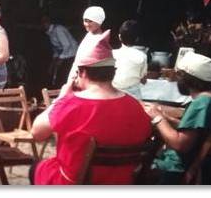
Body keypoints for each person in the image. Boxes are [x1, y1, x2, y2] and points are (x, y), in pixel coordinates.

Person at [29, 30, 152, 185]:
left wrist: (61, 98)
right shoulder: (136, 106)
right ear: (112, 73)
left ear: (82, 72)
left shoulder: (71, 103)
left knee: (36, 168)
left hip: (74, 183)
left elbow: (37, 133)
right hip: (121, 184)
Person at [143, 52, 211, 184]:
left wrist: (158, 118)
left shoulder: (201, 103)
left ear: (187, 79)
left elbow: (181, 144)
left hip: (178, 169)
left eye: (178, 75)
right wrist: (167, 117)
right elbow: (197, 130)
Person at [68, 6, 106, 80]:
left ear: (99, 22)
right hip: (76, 74)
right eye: (85, 21)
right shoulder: (89, 34)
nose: (87, 24)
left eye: (90, 21)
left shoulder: (99, 40)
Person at [112, 20, 148, 99]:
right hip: (134, 98)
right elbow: (143, 79)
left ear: (119, 37)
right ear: (137, 39)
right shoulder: (142, 56)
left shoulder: (111, 54)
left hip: (113, 95)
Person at [40, 15, 78, 88]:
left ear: (48, 22)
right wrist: (53, 62)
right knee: (53, 73)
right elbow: (57, 49)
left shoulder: (58, 29)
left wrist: (60, 59)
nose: (43, 25)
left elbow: (67, 45)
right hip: (64, 56)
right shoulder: (50, 33)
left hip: (72, 56)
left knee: (64, 77)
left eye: (45, 22)